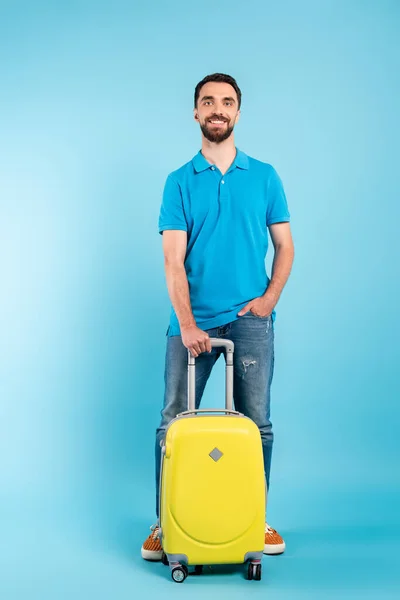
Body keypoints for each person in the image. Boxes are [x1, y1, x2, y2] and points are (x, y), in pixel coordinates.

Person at [141, 73, 295, 560]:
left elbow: (285, 247)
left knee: (257, 425)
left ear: (238, 112)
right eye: (208, 101)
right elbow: (172, 260)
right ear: (195, 112)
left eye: (227, 102)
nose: (217, 109)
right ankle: (166, 524)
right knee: (172, 424)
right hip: (191, 322)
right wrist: (187, 324)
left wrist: (269, 300)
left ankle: (254, 516)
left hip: (251, 322)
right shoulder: (178, 182)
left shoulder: (265, 176)